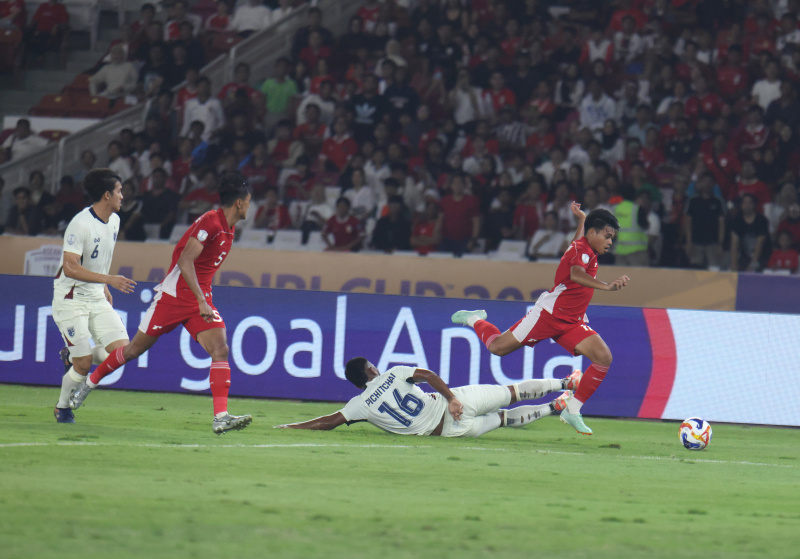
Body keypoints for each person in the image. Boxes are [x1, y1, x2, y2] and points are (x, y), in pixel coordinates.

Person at [68, 172, 254, 435]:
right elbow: (184, 261)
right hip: (175, 296)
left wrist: (202, 298)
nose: (249, 205)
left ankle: (220, 417)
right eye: (248, 200)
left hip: (199, 297)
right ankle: (90, 382)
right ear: (239, 202)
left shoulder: (228, 227)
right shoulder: (211, 222)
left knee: (220, 350)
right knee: (133, 350)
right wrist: (201, 300)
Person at [451, 203, 630, 435]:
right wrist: (606, 286)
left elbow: (575, 246)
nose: (610, 242)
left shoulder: (584, 248)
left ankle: (572, 410)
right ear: (593, 233)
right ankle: (474, 319)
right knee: (497, 348)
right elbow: (576, 274)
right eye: (607, 236)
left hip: (572, 321)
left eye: (612, 238)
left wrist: (582, 220)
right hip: (548, 315)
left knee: (603, 357)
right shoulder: (581, 251)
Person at [275, 358, 581, 437]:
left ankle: (555, 407)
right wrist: (451, 398)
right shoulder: (393, 373)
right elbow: (429, 375)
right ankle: (565, 381)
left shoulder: (359, 405)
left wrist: (293, 427)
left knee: (501, 420)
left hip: (450, 432)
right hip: (456, 404)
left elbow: (330, 421)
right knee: (510, 393)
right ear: (371, 368)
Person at [51, 169, 137, 423]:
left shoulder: (114, 220)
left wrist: (104, 286)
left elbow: (99, 260)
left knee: (124, 351)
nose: (123, 196)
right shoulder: (80, 224)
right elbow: (71, 267)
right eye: (119, 191)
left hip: (96, 295)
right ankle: (62, 408)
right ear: (107, 194)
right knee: (84, 364)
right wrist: (108, 280)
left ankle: (72, 354)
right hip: (71, 298)